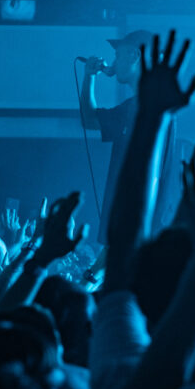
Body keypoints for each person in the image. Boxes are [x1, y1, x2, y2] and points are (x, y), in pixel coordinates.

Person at [78, 30, 181, 242]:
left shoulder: (150, 107)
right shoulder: (133, 106)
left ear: (134, 55)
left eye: (118, 55)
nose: (114, 62)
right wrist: (89, 77)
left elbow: (150, 173)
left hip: (138, 227)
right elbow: (89, 120)